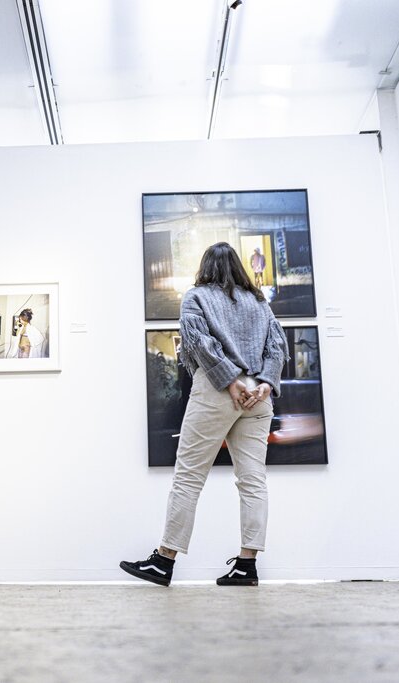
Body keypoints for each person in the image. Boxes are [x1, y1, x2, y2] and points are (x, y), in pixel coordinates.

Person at [121, 242, 289, 587]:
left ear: (205, 267)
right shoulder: (259, 301)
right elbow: (277, 346)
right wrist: (265, 383)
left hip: (218, 391)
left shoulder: (196, 297)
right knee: (253, 482)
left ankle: (163, 561)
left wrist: (230, 381)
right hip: (257, 396)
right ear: (239, 267)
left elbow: (199, 344)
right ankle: (247, 565)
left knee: (188, 477)